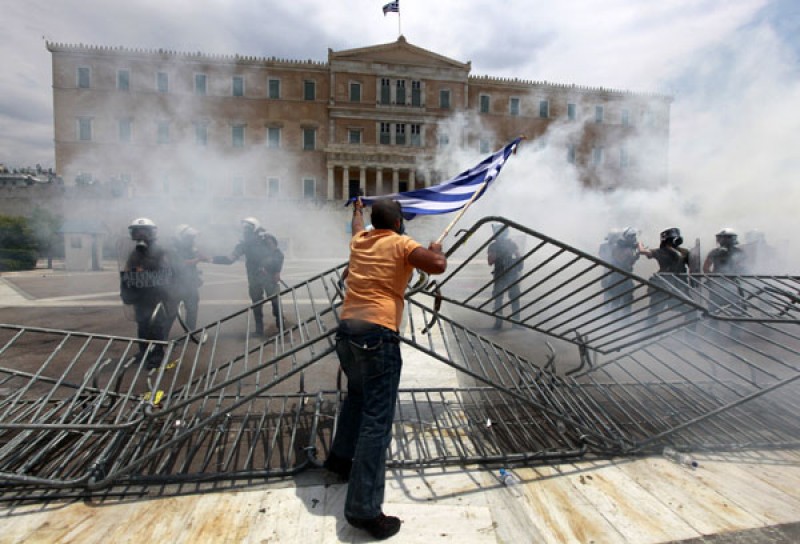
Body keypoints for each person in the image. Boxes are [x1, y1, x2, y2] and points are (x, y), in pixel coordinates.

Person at [324, 197, 446, 540]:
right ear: (398, 223)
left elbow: (356, 227)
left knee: (357, 397)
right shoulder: (401, 243)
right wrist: (437, 249)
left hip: (348, 331)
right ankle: (363, 511)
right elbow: (437, 265)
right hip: (378, 334)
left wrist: (357, 211)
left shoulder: (361, 240)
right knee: (376, 423)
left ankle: (338, 462)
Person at [119, 217, 176, 369]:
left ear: (151, 233)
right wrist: (127, 296)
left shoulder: (160, 252)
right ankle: (144, 352)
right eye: (137, 231)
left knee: (157, 327)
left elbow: (166, 274)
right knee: (143, 326)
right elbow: (127, 273)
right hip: (140, 298)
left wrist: (146, 270)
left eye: (144, 231)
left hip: (157, 297)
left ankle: (157, 356)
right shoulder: (135, 253)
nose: (140, 235)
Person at [212, 217, 284, 337]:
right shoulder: (244, 244)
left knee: (276, 302)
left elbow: (278, 255)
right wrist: (211, 259)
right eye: (244, 229)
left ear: (254, 228)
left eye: (248, 228)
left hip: (269, 278)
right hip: (254, 278)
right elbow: (230, 259)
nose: (245, 231)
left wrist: (277, 272)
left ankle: (281, 328)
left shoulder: (267, 239)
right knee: (256, 304)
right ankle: (259, 330)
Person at [638, 227, 693, 325]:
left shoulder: (682, 252)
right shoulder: (664, 251)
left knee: (691, 310)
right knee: (654, 312)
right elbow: (645, 252)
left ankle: (690, 337)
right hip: (666, 285)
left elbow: (643, 252)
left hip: (676, 285)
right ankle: (646, 333)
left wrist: (640, 245)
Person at [170, 224, 209, 331]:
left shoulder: (190, 246)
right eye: (189, 237)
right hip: (176, 285)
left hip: (190, 283)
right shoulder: (174, 248)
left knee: (192, 308)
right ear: (180, 236)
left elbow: (198, 253)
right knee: (171, 311)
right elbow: (179, 264)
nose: (191, 239)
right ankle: (161, 337)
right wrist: (198, 260)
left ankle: (190, 333)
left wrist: (204, 257)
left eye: (192, 237)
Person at [703, 227, 746, 315]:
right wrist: (713, 278)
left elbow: (742, 267)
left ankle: (735, 328)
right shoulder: (714, 252)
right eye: (722, 238)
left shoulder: (738, 252)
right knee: (714, 311)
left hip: (731, 284)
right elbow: (706, 268)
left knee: (736, 310)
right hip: (719, 284)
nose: (723, 240)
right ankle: (712, 328)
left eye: (726, 238)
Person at [487, 224, 522, 329]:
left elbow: (490, 261)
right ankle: (508, 323)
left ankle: (509, 323)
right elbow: (491, 261)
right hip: (504, 274)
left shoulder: (498, 245)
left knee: (506, 298)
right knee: (503, 299)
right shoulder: (501, 245)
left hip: (507, 274)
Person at [599, 227, 640, 316]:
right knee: (614, 298)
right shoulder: (617, 247)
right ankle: (613, 318)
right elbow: (630, 259)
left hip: (620, 276)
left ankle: (620, 319)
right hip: (616, 275)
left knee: (624, 298)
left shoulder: (624, 246)